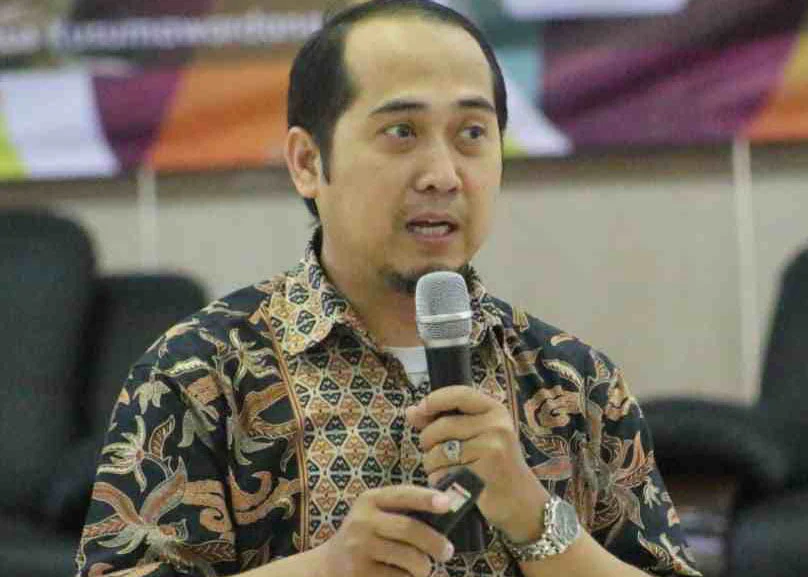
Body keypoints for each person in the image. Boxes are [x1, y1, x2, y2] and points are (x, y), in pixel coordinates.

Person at [75, 1, 701, 576]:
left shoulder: (573, 382)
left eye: (472, 134)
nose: (443, 175)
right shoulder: (199, 374)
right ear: (308, 162)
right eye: (402, 132)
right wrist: (325, 570)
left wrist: (534, 517)